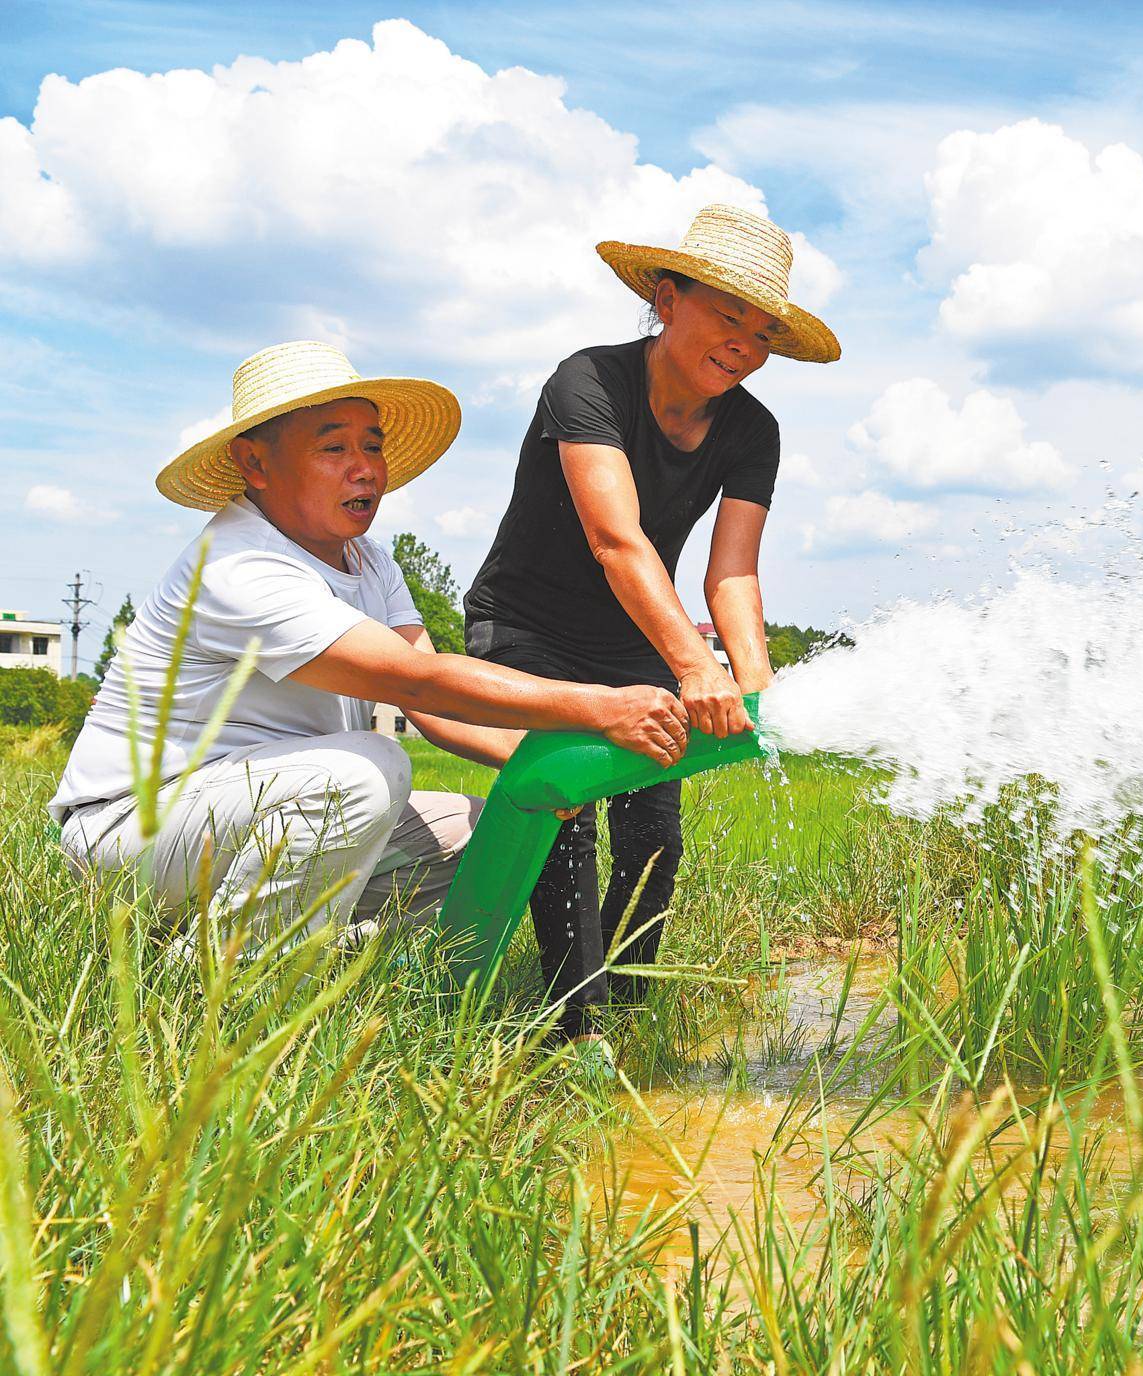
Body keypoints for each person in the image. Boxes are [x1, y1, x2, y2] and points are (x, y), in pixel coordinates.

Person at [50, 340, 694, 957]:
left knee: (505, 831)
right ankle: (231, 978)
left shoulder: (370, 563)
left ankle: (304, 949)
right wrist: (602, 707)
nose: (365, 468)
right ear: (254, 463)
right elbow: (418, 681)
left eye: (372, 446)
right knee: (362, 773)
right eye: (334, 447)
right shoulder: (237, 565)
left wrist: (542, 779)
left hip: (256, 814)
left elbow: (440, 712)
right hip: (132, 831)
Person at [464, 203, 840, 1041]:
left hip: (631, 638)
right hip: (528, 626)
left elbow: (732, 569)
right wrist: (692, 667)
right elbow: (617, 539)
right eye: (726, 313)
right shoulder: (588, 381)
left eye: (762, 332)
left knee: (654, 835)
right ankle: (577, 1034)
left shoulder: (753, 430)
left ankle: (628, 1015)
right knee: (569, 817)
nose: (743, 343)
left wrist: (752, 679)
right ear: (667, 298)